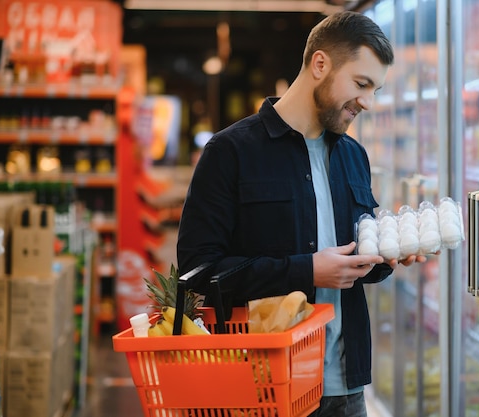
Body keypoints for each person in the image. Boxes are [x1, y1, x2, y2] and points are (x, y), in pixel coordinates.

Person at [177, 10, 429, 417]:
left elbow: (357, 259)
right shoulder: (230, 153)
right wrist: (306, 271)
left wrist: (387, 255)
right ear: (320, 64)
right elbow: (197, 271)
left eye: (375, 89)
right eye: (361, 84)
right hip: (265, 385)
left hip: (346, 387)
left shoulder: (354, 156)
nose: (368, 102)